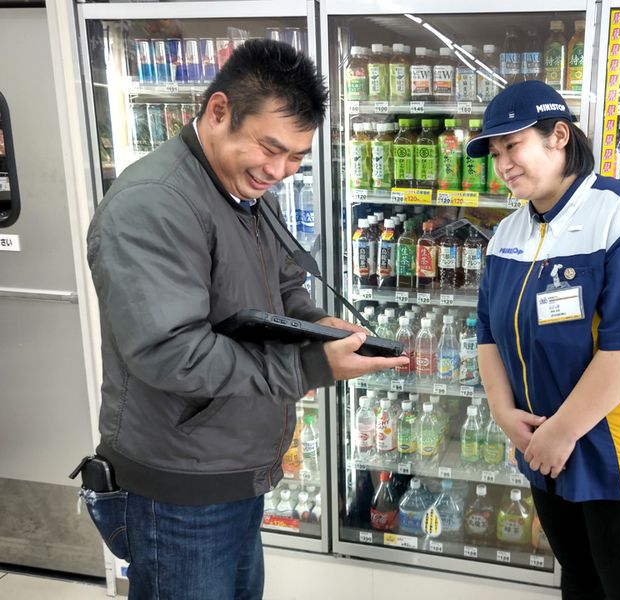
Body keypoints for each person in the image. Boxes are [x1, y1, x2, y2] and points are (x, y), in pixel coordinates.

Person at [81, 39, 407, 599]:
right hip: (177, 489)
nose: (279, 171)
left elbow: (282, 289)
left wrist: (318, 324)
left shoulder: (247, 192)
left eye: (296, 156)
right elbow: (171, 352)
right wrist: (309, 365)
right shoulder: (153, 203)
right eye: (269, 147)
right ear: (219, 111)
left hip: (230, 468)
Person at [468, 80, 620, 600]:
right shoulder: (508, 233)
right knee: (580, 585)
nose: (503, 164)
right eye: (495, 153)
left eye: (513, 146)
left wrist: (562, 431)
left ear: (558, 136)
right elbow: (487, 332)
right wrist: (504, 414)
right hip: (549, 452)